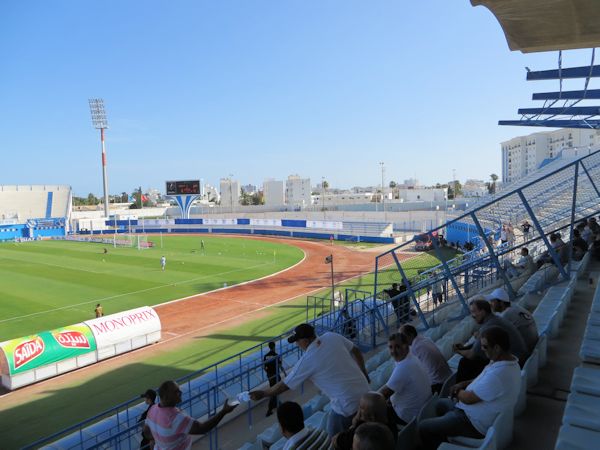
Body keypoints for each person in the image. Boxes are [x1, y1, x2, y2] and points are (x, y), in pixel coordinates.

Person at [250, 324, 370, 437]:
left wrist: (264, 393)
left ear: (306, 341)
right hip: (367, 395)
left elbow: (284, 385)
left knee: (334, 438)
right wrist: (364, 373)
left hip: (347, 407)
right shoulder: (332, 336)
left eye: (297, 341)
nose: (297, 344)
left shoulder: (307, 360)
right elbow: (356, 350)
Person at [418, 327, 521, 450]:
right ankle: (446, 436)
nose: (482, 350)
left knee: (423, 427)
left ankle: (442, 441)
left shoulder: (498, 375)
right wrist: (463, 384)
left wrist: (456, 390)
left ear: (497, 348)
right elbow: (483, 381)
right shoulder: (507, 362)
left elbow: (468, 399)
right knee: (439, 404)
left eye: (485, 346)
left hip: (472, 422)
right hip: (470, 411)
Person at [143, 380, 236, 450]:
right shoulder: (176, 418)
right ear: (167, 397)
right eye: (176, 392)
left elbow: (146, 432)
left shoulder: (152, 409)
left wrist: (159, 440)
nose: (180, 393)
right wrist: (223, 411)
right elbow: (202, 428)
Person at [453, 299, 527, 382]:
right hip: (518, 358)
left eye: (474, 311)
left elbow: (471, 355)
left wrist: (457, 350)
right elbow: (479, 341)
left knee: (465, 362)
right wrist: (465, 347)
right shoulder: (495, 319)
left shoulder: (489, 326)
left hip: (515, 362)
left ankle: (461, 391)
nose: (472, 315)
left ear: (483, 312)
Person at [378, 333, 431, 425]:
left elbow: (380, 396)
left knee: (373, 410)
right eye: (390, 347)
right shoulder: (412, 358)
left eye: (397, 347)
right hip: (423, 409)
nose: (393, 351)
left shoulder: (403, 367)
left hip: (407, 416)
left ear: (406, 347)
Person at [332, 392, 396, 450]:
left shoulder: (363, 432)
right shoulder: (391, 425)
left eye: (361, 407)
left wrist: (354, 424)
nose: (358, 409)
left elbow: (335, 441)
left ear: (371, 417)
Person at [399, 324, 452, 393]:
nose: (402, 341)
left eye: (403, 338)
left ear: (411, 335)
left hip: (438, 385)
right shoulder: (425, 339)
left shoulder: (416, 348)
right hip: (449, 377)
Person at [486, 288, 539, 353]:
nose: (490, 304)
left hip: (525, 353)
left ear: (501, 303)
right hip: (534, 348)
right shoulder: (514, 307)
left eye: (492, 301)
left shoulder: (506, 316)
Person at [263, 341, 287, 417]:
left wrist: (268, 372)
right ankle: (270, 409)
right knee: (275, 391)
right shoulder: (276, 355)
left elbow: (264, 367)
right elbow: (280, 366)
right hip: (276, 376)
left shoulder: (265, 356)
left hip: (270, 376)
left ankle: (277, 404)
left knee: (274, 389)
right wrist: (285, 373)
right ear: (274, 347)